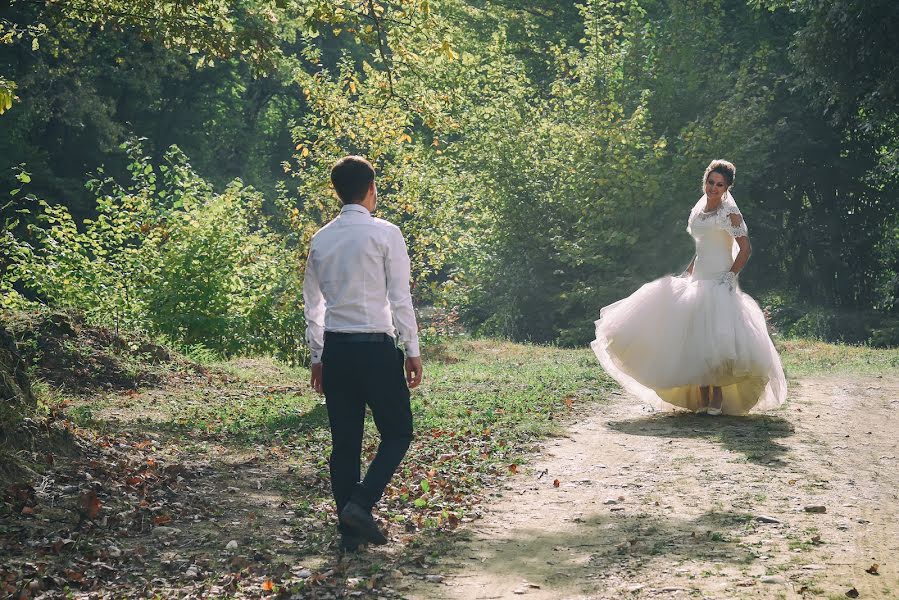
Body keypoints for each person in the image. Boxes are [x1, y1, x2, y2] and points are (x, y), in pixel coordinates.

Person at [591, 160, 786, 415]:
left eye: (720, 184)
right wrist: (689, 272)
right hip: (698, 279)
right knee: (695, 340)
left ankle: (717, 399)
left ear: (727, 188)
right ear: (705, 181)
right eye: (710, 182)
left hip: (719, 281)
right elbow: (703, 247)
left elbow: (745, 248)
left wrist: (729, 277)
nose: (713, 188)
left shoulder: (729, 213)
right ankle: (703, 399)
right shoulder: (699, 210)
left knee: (716, 342)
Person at [303, 155, 423, 551]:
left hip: (336, 350)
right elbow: (399, 296)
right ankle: (360, 503)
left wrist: (317, 357)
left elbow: (313, 306)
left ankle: (349, 533)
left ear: (338, 192)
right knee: (399, 431)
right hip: (375, 348)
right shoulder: (386, 233)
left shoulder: (321, 238)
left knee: (346, 442)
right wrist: (412, 347)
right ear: (370, 188)